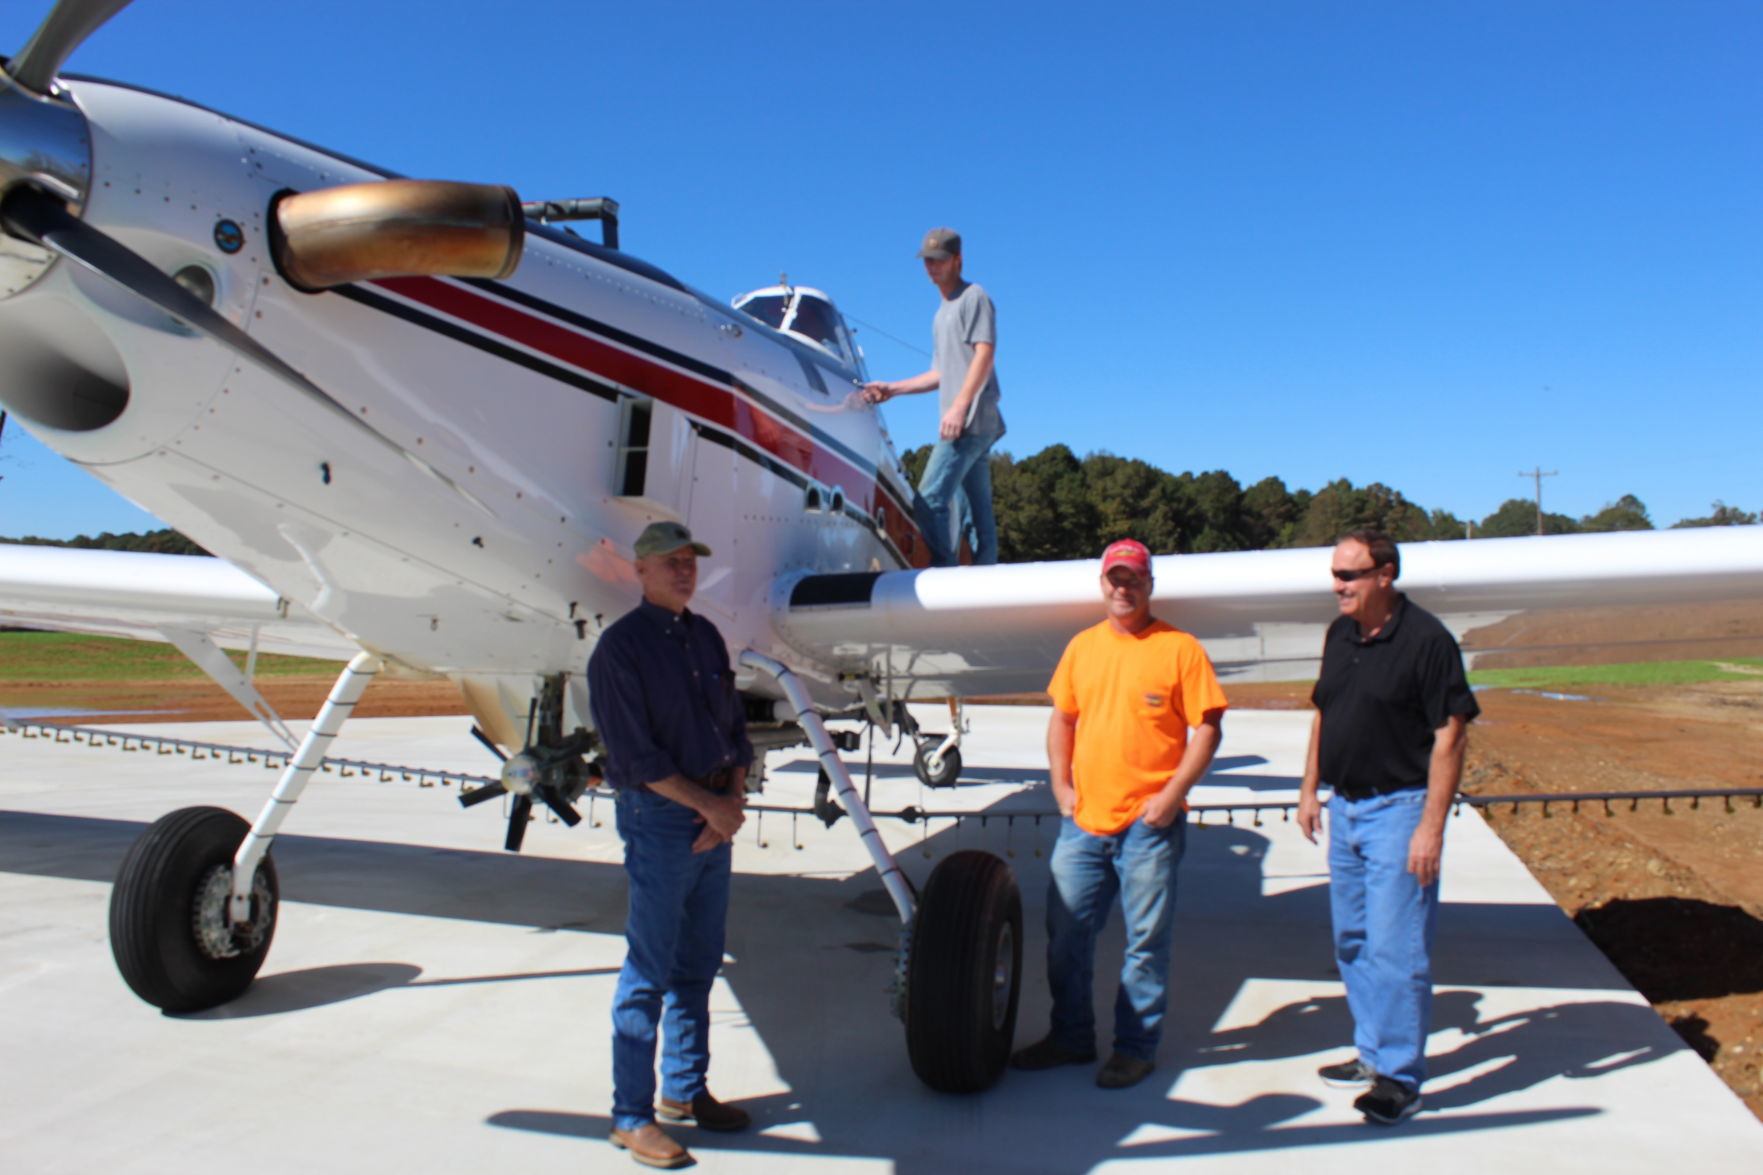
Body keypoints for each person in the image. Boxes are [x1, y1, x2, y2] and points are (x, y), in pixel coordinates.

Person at [1010, 538, 1227, 1089]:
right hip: (1083, 822)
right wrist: (1060, 786)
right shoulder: (1083, 647)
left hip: (1148, 825)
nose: (1122, 588)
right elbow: (1062, 719)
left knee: (1145, 943)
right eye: (1114, 578)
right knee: (1065, 936)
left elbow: (1208, 727)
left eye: (1133, 579)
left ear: (1149, 585)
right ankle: (1071, 1037)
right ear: (1102, 584)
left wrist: (1172, 795)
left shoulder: (1180, 649)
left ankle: (1135, 1048)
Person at [1297, 527, 1479, 1126]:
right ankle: (1373, 1054)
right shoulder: (1339, 633)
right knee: (1353, 940)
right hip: (1345, 808)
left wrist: (1432, 827)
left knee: (1397, 948)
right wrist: (1309, 790)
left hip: (1399, 811)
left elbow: (1451, 733)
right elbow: (1325, 712)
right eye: (1335, 574)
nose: (1338, 585)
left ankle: (1400, 1077)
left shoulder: (1427, 640)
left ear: (1385, 575)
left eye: (1348, 575)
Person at [587, 520, 754, 1169]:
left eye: (689, 560)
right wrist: (709, 806)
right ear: (640, 569)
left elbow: (734, 731)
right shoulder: (619, 650)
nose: (683, 570)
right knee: (648, 969)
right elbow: (633, 758)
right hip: (661, 819)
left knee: (699, 960)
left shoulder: (705, 636)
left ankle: (684, 1091)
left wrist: (729, 804)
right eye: (669, 561)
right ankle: (631, 1115)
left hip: (714, 817)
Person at [861, 226, 1005, 566]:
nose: (932, 267)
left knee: (928, 501)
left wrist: (958, 407)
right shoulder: (941, 314)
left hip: (969, 422)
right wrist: (892, 389)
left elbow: (985, 354)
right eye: (928, 261)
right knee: (975, 516)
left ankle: (948, 580)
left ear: (958, 260)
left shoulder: (974, 297)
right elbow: (940, 373)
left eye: (940, 260)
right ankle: (987, 586)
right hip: (969, 422)